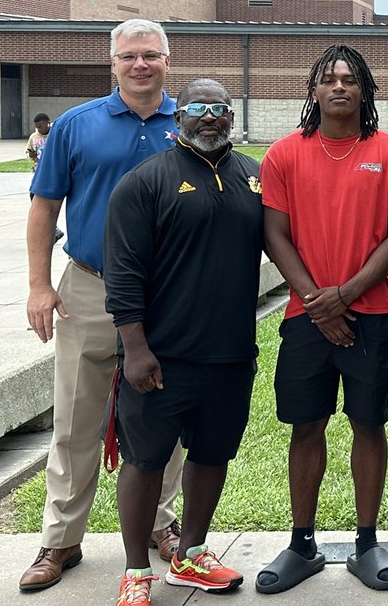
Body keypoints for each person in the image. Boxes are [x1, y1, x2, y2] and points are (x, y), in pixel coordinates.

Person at [20, 19, 185, 593]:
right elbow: (44, 208)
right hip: (90, 286)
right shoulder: (74, 126)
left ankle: (165, 526)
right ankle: (61, 538)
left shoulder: (188, 123)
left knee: (165, 413)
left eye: (151, 55)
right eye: (129, 56)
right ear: (112, 63)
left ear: (169, 60)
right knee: (74, 417)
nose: (141, 65)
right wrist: (41, 286)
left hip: (168, 293)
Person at [255, 44, 388, 595]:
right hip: (306, 317)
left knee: (368, 424)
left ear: (366, 90)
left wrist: (345, 295)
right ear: (314, 90)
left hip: (370, 314)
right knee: (307, 426)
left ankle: (366, 543)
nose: (340, 87)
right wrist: (315, 300)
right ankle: (302, 543)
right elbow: (274, 234)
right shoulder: (283, 155)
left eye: (351, 79)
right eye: (329, 78)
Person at [104, 79, 263, 605]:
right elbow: (122, 273)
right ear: (179, 119)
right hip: (160, 356)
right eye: (199, 109)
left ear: (232, 118)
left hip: (230, 353)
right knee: (146, 460)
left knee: (213, 454)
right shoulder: (144, 182)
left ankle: (191, 555)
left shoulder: (253, 177)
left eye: (221, 109)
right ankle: (135, 571)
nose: (211, 117)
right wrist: (136, 347)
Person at [26, 113, 64, 243]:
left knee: (49, 204)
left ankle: (54, 230)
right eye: (37, 127)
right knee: (35, 199)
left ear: (48, 123)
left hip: (53, 172)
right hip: (39, 172)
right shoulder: (34, 137)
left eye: (41, 126)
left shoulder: (55, 135)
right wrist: (32, 155)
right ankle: (55, 230)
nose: (39, 129)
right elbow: (30, 153)